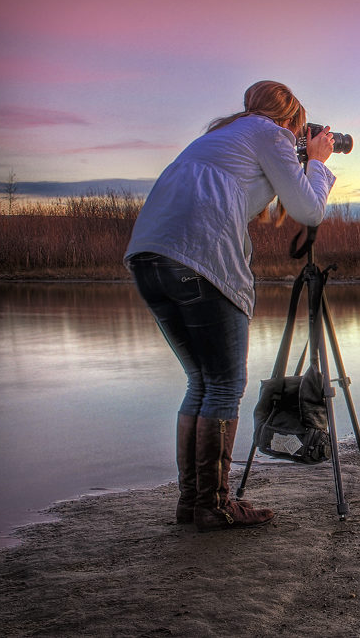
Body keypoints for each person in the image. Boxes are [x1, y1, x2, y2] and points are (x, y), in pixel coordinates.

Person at [124, 81, 336, 531]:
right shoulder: (269, 133)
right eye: (299, 130)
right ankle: (213, 505)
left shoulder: (218, 138)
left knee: (202, 381)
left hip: (149, 258)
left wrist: (298, 161)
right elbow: (309, 211)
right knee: (224, 385)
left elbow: (243, 198)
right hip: (198, 260)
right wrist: (315, 163)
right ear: (290, 121)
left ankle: (193, 502)